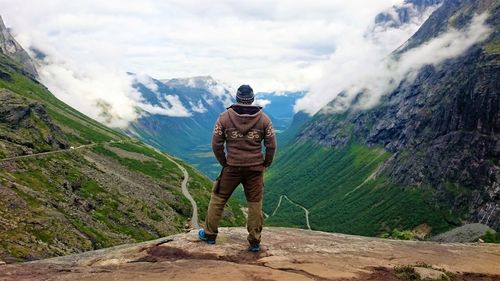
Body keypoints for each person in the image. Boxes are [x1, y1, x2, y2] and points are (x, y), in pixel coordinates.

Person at [199, 84, 277, 252]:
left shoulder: (224, 118)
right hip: (255, 169)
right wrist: (266, 163)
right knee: (255, 204)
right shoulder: (264, 119)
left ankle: (209, 235)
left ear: (237, 97)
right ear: (252, 98)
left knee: (218, 199)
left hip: (232, 167)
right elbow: (271, 145)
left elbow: (216, 144)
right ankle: (254, 241)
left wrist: (224, 162)